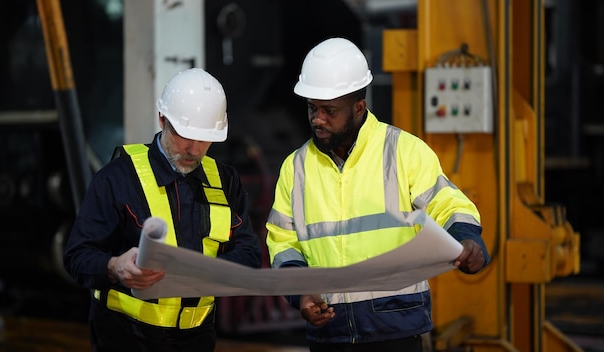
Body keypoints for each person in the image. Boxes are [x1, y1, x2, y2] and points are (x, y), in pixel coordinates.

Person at [265, 37, 490, 352]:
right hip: (331, 333)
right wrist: (300, 293)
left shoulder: (402, 151)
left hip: (396, 330)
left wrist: (468, 239)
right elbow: (283, 244)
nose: (318, 119)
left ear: (359, 107)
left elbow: (449, 204)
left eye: (329, 110)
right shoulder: (296, 167)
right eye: (312, 108)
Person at [63, 68, 262, 352]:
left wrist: (218, 271)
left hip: (197, 341)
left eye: (204, 139)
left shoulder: (225, 180)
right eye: (183, 135)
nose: (193, 149)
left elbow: (249, 253)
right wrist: (114, 267)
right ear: (162, 119)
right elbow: (77, 256)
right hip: (125, 339)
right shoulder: (118, 177)